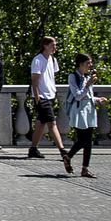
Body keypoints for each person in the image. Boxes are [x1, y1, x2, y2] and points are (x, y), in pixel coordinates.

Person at [27, 36, 71, 170]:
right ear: (45, 46)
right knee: (52, 123)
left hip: (50, 95)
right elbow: (35, 80)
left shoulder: (52, 59)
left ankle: (33, 148)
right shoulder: (38, 60)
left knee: (41, 124)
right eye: (53, 45)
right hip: (42, 96)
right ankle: (62, 150)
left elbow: (52, 77)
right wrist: (37, 98)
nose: (55, 48)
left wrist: (54, 91)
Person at [63, 53, 106, 179]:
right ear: (81, 64)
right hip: (79, 111)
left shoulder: (87, 77)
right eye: (88, 63)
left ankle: (84, 168)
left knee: (88, 141)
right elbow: (77, 95)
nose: (90, 65)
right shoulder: (73, 77)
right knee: (83, 140)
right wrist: (87, 85)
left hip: (89, 110)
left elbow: (88, 96)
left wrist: (98, 99)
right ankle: (69, 157)